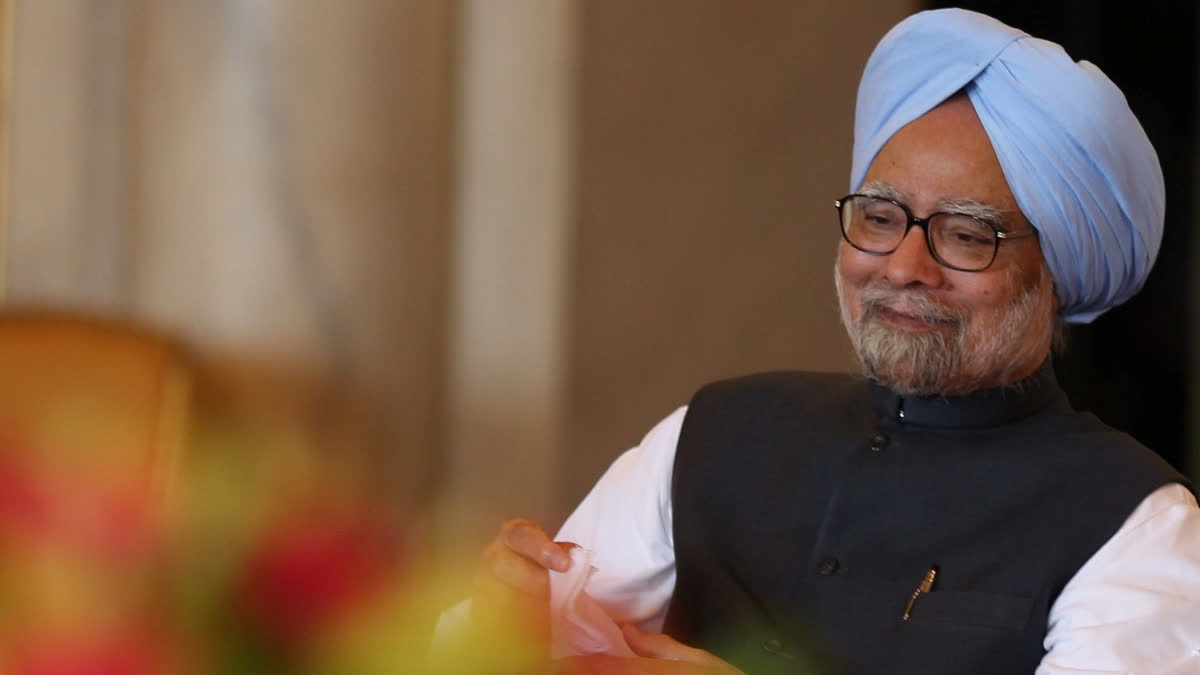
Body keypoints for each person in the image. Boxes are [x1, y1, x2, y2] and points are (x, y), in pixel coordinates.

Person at [459, 8, 1200, 674]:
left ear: (1053, 272)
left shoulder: (1137, 527)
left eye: (968, 235)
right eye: (880, 217)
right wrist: (495, 622)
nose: (907, 268)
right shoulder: (710, 436)